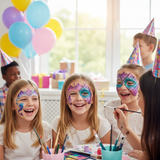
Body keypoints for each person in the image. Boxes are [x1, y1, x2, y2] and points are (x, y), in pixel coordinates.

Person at [52, 73, 111, 149]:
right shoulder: (58, 124)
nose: (79, 98)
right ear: (66, 99)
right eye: (73, 93)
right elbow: (56, 155)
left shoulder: (103, 125)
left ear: (93, 99)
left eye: (85, 93)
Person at [0, 79, 52, 160]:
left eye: (34, 99)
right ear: (11, 105)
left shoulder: (44, 128)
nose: (30, 103)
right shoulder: (2, 131)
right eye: (23, 99)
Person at [100, 63, 146, 153]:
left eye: (129, 83)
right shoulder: (110, 106)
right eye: (119, 83)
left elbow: (148, 150)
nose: (122, 87)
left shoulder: (146, 112)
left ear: (142, 86)